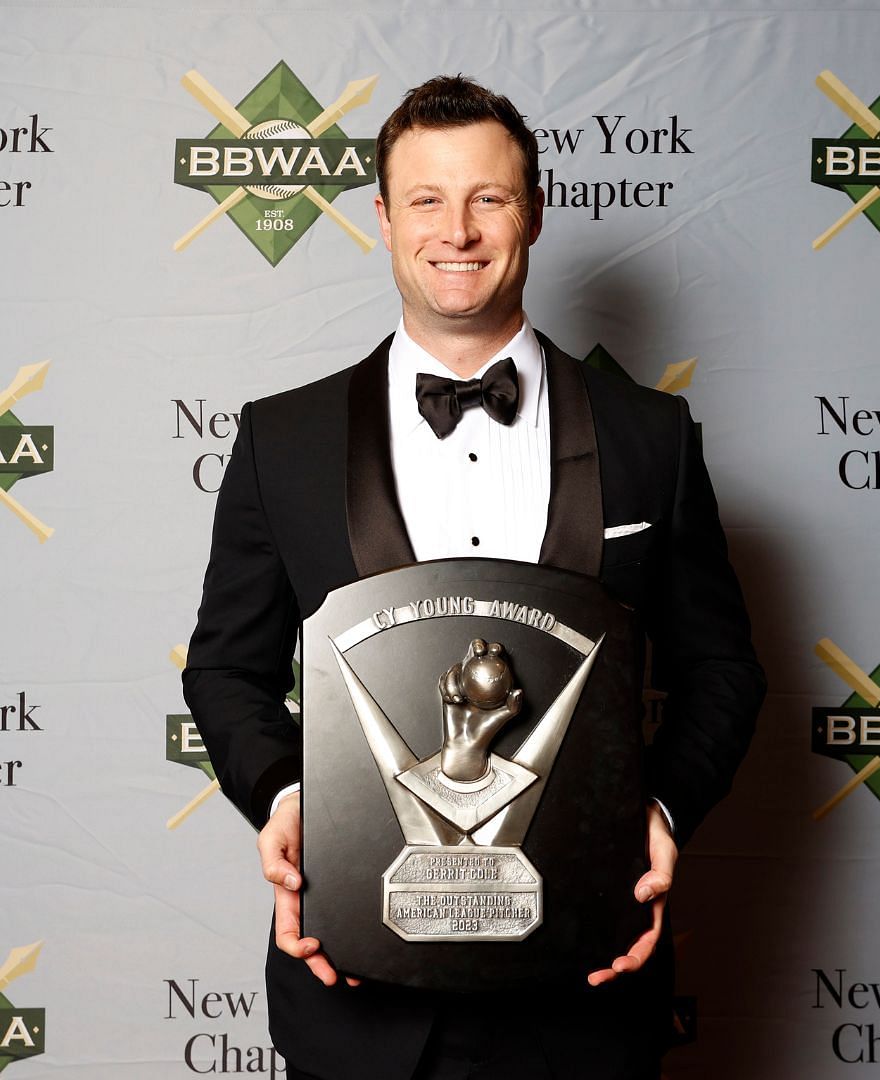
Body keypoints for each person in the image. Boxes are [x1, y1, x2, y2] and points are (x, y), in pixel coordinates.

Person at [182, 75, 764, 1080]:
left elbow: (724, 671)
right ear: (382, 217)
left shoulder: (648, 438)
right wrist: (284, 798)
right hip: (354, 992)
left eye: (488, 198)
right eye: (426, 199)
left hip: (587, 990)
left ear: (531, 212)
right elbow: (224, 669)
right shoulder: (283, 439)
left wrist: (660, 816)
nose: (457, 230)